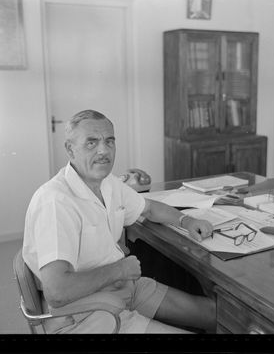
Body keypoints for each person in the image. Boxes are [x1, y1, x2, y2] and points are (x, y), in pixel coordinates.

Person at [22, 109, 216, 334]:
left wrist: (186, 220)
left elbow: (150, 208)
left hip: (123, 287)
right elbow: (58, 291)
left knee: (213, 314)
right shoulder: (55, 201)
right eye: (91, 143)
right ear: (70, 149)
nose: (103, 151)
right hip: (86, 312)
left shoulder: (108, 183)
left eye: (109, 141)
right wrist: (120, 269)